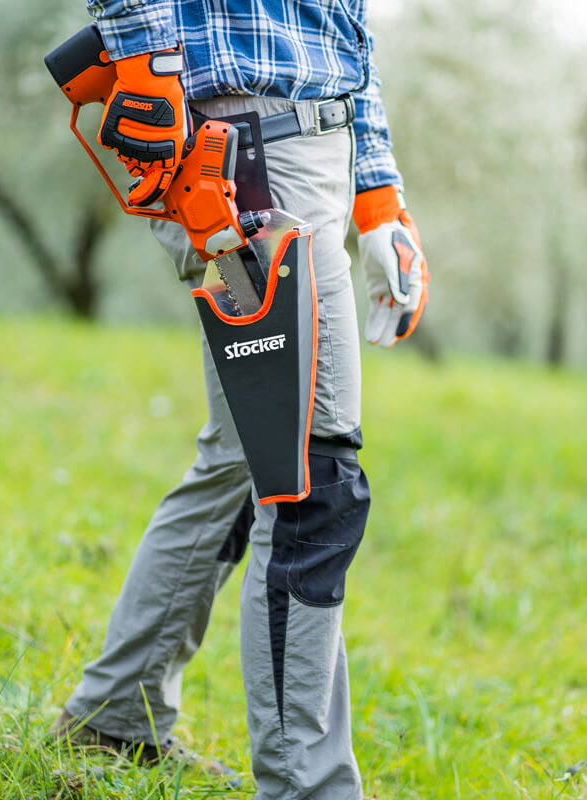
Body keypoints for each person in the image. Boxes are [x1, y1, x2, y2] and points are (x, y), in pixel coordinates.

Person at [49, 1, 430, 797]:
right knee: (309, 483)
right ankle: (306, 786)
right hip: (246, 162)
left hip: (313, 146)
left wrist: (378, 194)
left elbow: (343, 26)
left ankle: (116, 716)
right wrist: (151, 67)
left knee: (246, 458)